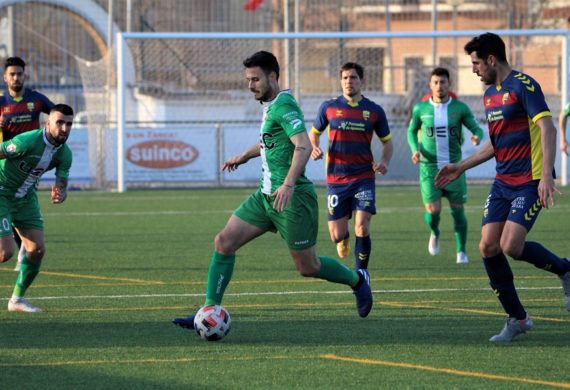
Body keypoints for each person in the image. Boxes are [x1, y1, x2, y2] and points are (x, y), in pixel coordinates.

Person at [172, 51, 373, 331]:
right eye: (248, 80)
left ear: (273, 76)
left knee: (308, 267)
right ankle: (209, 311)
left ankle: (358, 281)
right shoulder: (270, 105)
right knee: (223, 242)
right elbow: (272, 142)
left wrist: (289, 183)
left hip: (292, 198)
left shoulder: (284, 105)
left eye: (255, 79)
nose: (251, 85)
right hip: (266, 196)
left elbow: (302, 145)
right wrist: (244, 155)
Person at [435, 32, 570, 342]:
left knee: (511, 245)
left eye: (476, 63)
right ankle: (518, 319)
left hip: (531, 180)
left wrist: (548, 176)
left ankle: (565, 269)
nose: (473, 69)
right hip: (503, 181)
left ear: (492, 60)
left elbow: (547, 127)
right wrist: (461, 166)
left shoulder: (524, 85)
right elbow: (494, 145)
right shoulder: (490, 95)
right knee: (487, 246)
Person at [309, 62, 393, 273]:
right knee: (336, 234)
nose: (349, 82)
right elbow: (314, 134)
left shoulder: (374, 111)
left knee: (362, 226)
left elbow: (387, 142)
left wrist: (384, 161)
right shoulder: (328, 107)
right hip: (336, 179)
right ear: (340, 81)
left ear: (361, 81)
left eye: (353, 77)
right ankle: (343, 238)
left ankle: (362, 273)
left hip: (364, 176)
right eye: (345, 78)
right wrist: (314, 147)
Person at [1, 103, 74, 312]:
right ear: (47, 122)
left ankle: (16, 301)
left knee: (37, 250)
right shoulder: (28, 141)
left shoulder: (65, 154)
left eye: (69, 124)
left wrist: (60, 192)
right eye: (59, 122)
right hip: (1, 193)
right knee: (4, 253)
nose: (64, 128)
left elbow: (62, 182)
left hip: (26, 199)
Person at [407, 67, 483, 265]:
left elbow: (475, 127)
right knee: (433, 212)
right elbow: (411, 131)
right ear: (430, 85)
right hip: (429, 168)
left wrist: (477, 136)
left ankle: (462, 251)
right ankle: (435, 231)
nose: (439, 86)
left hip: (455, 168)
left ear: (449, 84)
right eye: (436, 82)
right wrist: (415, 149)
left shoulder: (460, 108)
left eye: (443, 82)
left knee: (458, 211)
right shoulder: (420, 109)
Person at [0, 56, 55, 271]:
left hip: (30, 164)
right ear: (5, 77)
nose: (16, 77)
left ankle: (24, 244)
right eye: (12, 74)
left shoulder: (36, 99)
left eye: (19, 74)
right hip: (6, 165)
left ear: (25, 75)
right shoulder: (1, 102)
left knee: (23, 200)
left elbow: (57, 115)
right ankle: (21, 244)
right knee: (13, 201)